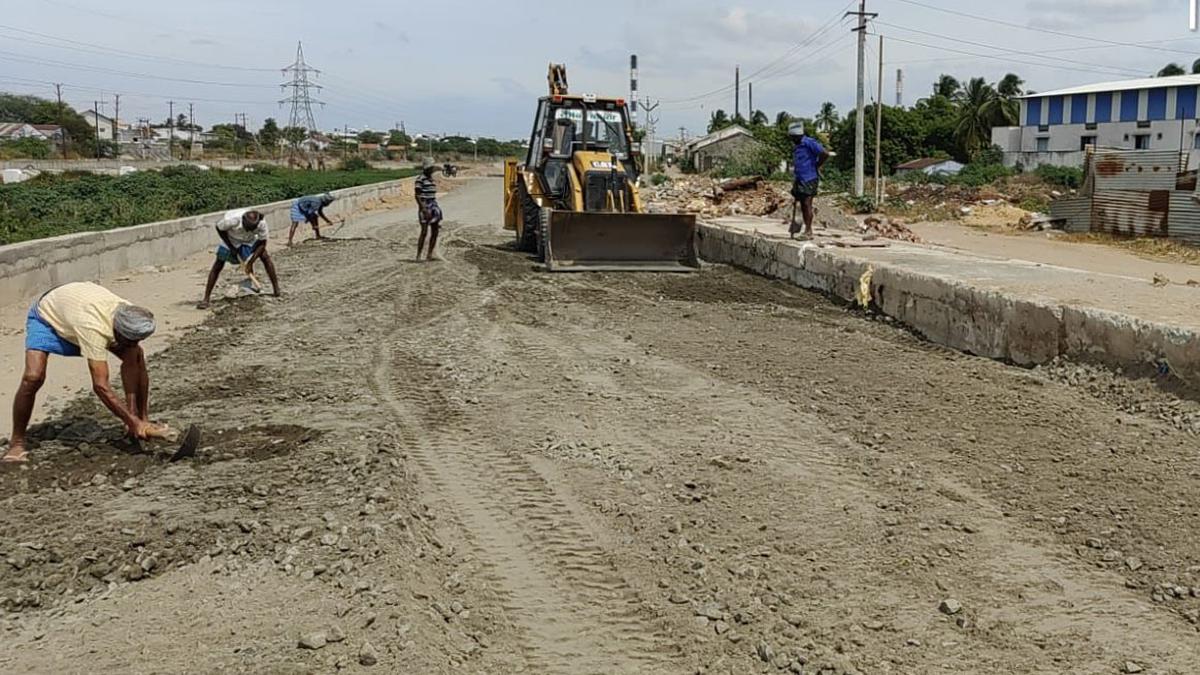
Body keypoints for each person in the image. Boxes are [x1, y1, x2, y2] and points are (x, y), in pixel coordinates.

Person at [4, 282, 165, 463]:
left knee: (136, 356)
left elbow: (132, 357)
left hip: (76, 309)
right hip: (48, 318)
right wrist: (132, 421)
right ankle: (16, 443)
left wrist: (136, 419)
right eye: (130, 341)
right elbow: (100, 386)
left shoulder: (128, 312)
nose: (134, 344)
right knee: (33, 377)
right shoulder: (93, 328)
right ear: (118, 333)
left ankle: (143, 418)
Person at [198, 208, 281, 309]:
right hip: (231, 239)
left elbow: (262, 243)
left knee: (265, 257)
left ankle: (276, 289)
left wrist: (250, 262)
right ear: (243, 221)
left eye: (252, 228)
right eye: (248, 227)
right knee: (218, 264)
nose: (249, 230)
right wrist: (231, 247)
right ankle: (206, 299)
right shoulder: (233, 220)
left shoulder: (261, 223)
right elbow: (219, 228)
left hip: (249, 240)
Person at [788, 122, 830, 239]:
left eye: (793, 138)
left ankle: (808, 231)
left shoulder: (809, 142)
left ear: (798, 136)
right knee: (801, 204)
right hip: (800, 178)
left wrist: (817, 165)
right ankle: (802, 227)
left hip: (809, 178)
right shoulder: (797, 146)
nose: (791, 140)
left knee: (807, 204)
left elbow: (825, 153)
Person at [415, 159, 443, 261]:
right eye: (431, 168)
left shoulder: (431, 180)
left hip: (433, 205)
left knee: (435, 231)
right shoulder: (420, 179)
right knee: (424, 232)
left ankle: (429, 254)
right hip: (425, 206)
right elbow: (417, 195)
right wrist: (423, 209)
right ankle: (418, 255)